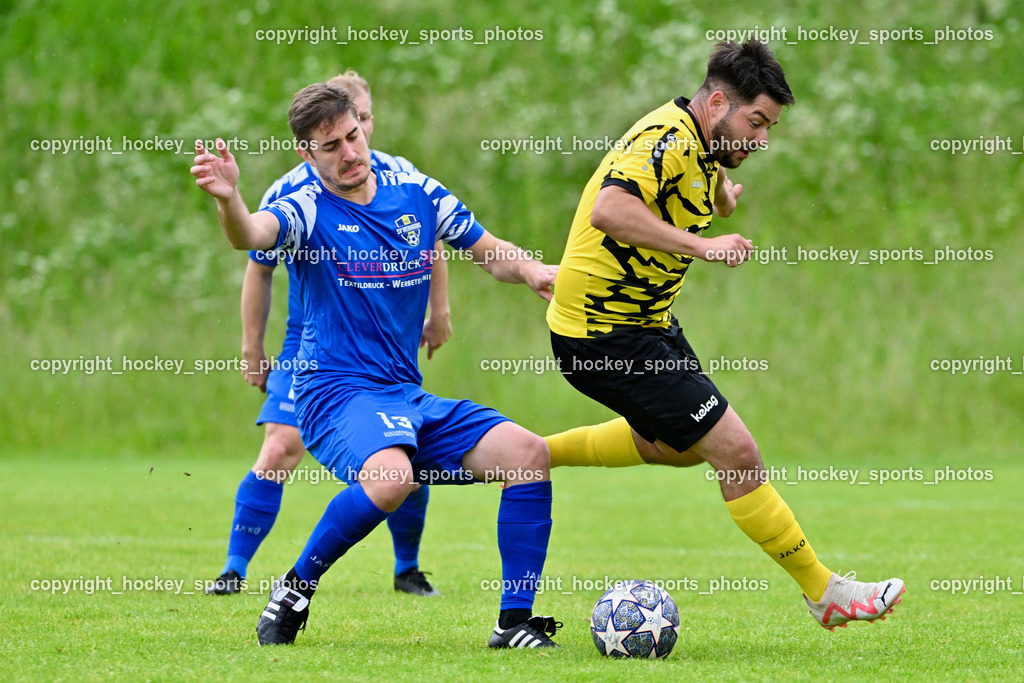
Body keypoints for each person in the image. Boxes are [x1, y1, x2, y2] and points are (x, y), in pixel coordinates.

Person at [543, 40, 905, 631]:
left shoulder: (703, 143)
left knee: (685, 448)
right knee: (737, 453)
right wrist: (704, 244)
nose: (762, 140)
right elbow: (610, 210)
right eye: (757, 123)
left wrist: (722, 201)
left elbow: (696, 186)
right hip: (602, 335)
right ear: (717, 103)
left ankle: (536, 453)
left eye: (770, 127)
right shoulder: (666, 140)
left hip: (643, 326)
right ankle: (826, 592)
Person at [191, 83, 562, 648]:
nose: (348, 153)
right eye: (331, 145)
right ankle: (293, 589)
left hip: (402, 392)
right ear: (307, 154)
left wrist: (533, 270)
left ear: (365, 128)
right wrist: (228, 200)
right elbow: (253, 238)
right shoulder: (305, 207)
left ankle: (512, 624)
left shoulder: (414, 189)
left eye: (353, 136)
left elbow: (487, 250)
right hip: (333, 393)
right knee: (393, 477)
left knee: (529, 455)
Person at [206, 71, 448, 599]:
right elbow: (259, 262)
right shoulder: (294, 191)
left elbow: (433, 238)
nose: (351, 134)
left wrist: (440, 310)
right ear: (315, 141)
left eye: (359, 122)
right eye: (337, 131)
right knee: (279, 447)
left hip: (384, 344)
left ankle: (407, 567)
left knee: (403, 449)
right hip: (310, 343)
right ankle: (234, 568)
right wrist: (252, 347)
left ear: (368, 122)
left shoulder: (402, 179)